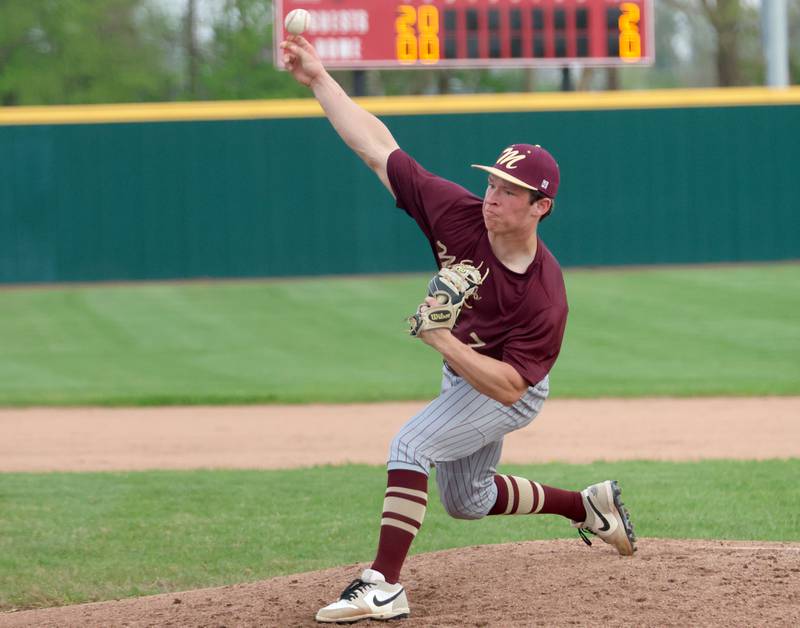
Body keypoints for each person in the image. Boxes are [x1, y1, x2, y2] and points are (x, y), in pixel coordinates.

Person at [280, 36, 636, 624]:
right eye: (492, 183)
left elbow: (510, 389)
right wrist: (320, 77)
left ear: (540, 207)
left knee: (410, 445)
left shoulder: (545, 294)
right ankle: (588, 506)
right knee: (466, 501)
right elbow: (378, 148)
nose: (492, 197)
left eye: (508, 192)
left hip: (506, 390)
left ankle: (383, 585)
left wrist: (440, 338)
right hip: (463, 376)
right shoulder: (459, 213)